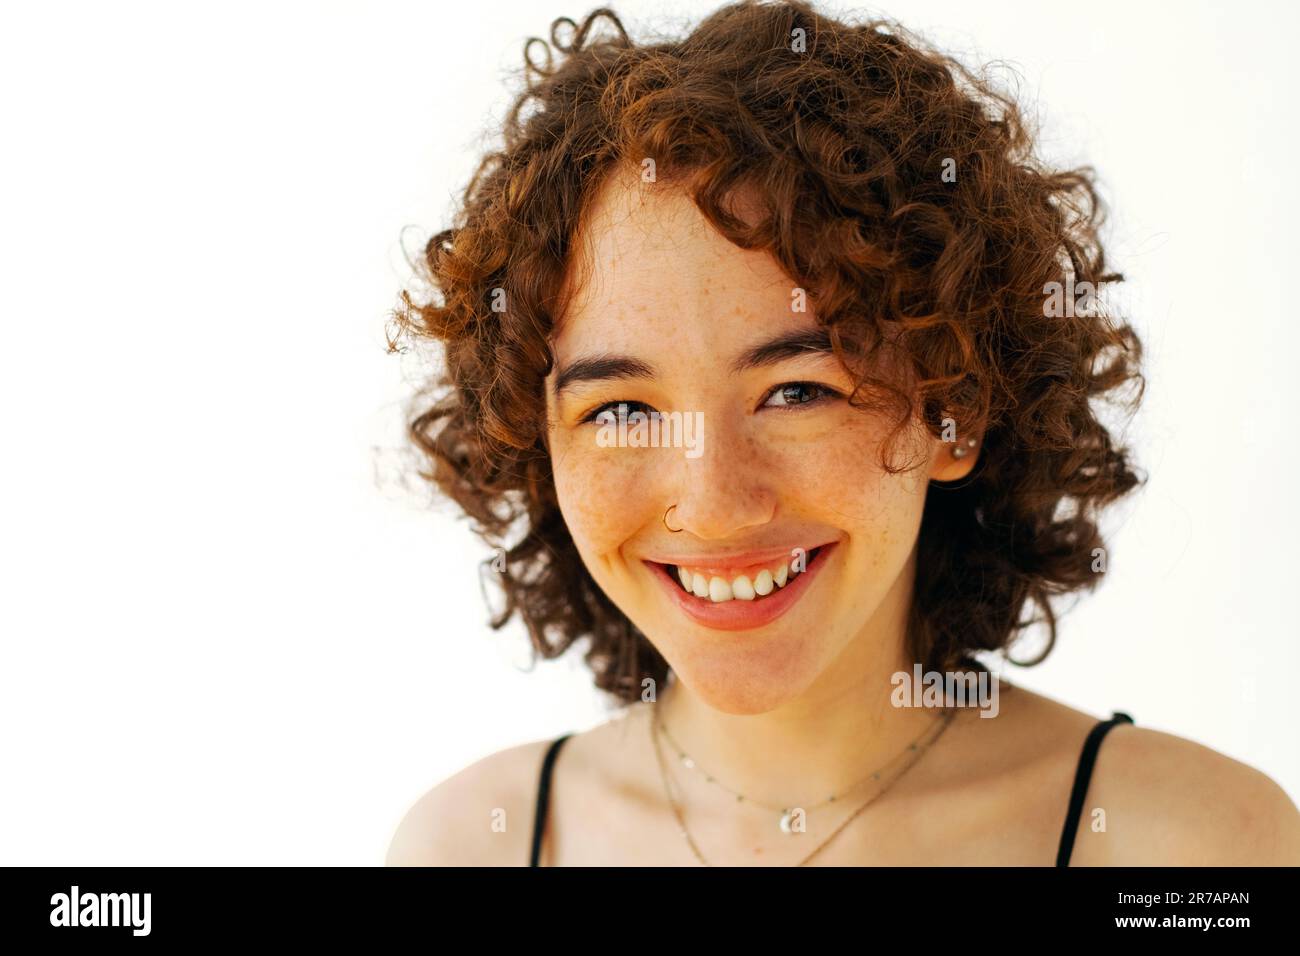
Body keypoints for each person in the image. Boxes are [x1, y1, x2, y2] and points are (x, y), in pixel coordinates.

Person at [384, 1, 1300, 866]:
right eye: (621, 411)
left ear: (956, 409)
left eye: (796, 392)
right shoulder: (473, 846)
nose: (712, 507)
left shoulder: (1188, 848)